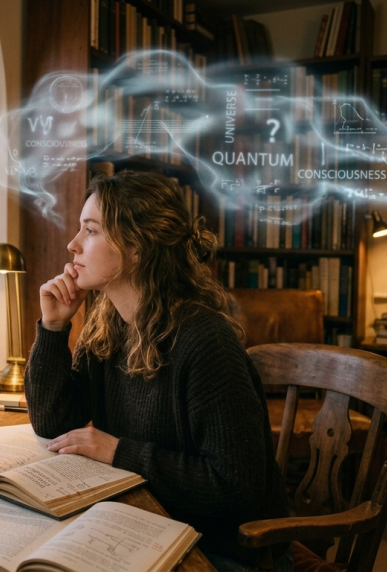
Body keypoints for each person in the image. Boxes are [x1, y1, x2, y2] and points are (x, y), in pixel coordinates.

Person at [25, 170, 291, 571]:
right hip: (143, 525)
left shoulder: (205, 342)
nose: (72, 244)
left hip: (217, 551)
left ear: (137, 249)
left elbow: (237, 490)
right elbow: (53, 422)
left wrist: (119, 451)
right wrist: (53, 328)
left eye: (91, 230)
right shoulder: (108, 324)